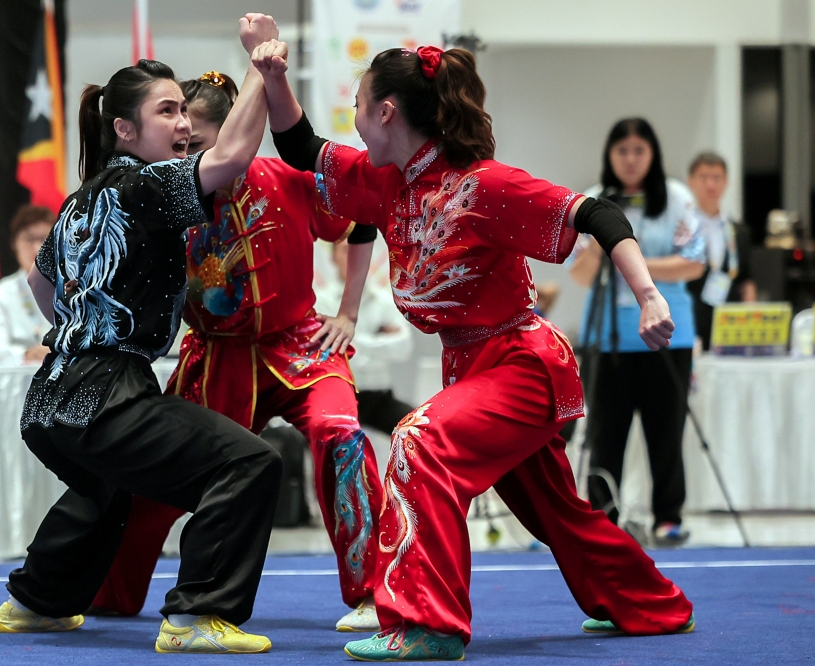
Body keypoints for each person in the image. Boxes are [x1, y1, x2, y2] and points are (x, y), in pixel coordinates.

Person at [255, 42, 694, 660]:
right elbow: (300, 146)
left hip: (524, 364)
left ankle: (429, 624)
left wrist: (649, 296)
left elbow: (597, 213)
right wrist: (271, 74)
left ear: (385, 113)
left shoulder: (484, 186)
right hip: (472, 369)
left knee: (418, 440)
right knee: (554, 512)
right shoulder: (384, 185)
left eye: (355, 105)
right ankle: (652, 605)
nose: (350, 119)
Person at [0, 16, 291, 655]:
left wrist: (86, 325)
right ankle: (196, 614)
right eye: (168, 113)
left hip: (49, 402)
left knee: (107, 482)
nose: (184, 124)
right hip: (107, 392)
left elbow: (42, 287)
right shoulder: (143, 182)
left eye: (184, 110)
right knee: (250, 462)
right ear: (125, 130)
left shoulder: (83, 198)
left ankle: (34, 603)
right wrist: (259, 65)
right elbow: (235, 156)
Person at [88, 69, 384, 633]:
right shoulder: (165, 194)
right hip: (214, 356)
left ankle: (373, 591)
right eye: (182, 141)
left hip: (300, 345)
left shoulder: (287, 177)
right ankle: (110, 593)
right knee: (157, 472)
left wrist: (348, 312)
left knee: (341, 435)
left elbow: (362, 212)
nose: (188, 151)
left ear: (236, 134)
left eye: (198, 143)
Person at [570, 118, 705, 547]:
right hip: (606, 340)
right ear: (610, 155)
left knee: (666, 435)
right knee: (605, 434)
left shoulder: (678, 199)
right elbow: (580, 276)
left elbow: (695, 263)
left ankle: (669, 517)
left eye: (639, 150)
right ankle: (602, 521)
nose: (630, 159)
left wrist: (632, 261)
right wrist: (599, 244)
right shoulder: (592, 200)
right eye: (622, 151)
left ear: (653, 154)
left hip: (668, 337)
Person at [314, 241, 414, 435]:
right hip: (338, 399)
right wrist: (380, 342)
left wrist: (353, 343)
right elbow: (329, 355)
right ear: (333, 257)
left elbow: (404, 349)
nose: (353, 256)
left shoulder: (385, 300)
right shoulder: (320, 303)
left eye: (359, 249)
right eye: (346, 250)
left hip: (379, 396)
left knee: (420, 431)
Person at [685, 151, 756, 350]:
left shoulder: (738, 230)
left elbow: (746, 279)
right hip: (691, 320)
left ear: (726, 182)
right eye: (704, 177)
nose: (711, 185)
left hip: (729, 324)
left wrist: (749, 316)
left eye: (717, 178)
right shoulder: (682, 228)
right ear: (690, 181)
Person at [0, 205, 54, 364]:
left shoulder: (73, 290)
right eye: (29, 239)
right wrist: (26, 354)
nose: (37, 247)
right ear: (14, 244)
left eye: (44, 239)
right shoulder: (0, 293)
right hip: (17, 380)